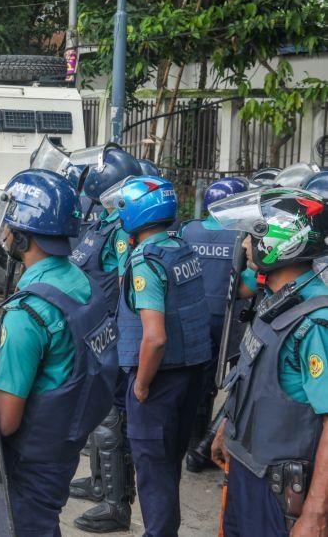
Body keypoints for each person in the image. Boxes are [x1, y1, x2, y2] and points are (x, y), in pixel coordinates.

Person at [0, 169, 119, 537]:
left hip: (31, 455)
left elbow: (7, 420)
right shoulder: (81, 282)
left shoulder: (27, 314)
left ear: (24, 235)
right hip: (65, 440)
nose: (6, 233)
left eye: (10, 224)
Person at [210, 187, 328, 537]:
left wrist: (316, 514)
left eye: (252, 235)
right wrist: (227, 429)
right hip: (249, 468)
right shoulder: (275, 300)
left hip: (281, 491)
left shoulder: (314, 324)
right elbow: (255, 376)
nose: (245, 245)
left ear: (282, 241)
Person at [112, 175, 211, 537]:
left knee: (153, 472)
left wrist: (140, 385)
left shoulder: (147, 262)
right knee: (168, 465)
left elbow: (154, 338)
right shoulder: (180, 248)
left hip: (159, 379)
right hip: (190, 374)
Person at [66, 147, 141, 532]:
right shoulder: (101, 223)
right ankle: (98, 482)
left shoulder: (122, 232)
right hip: (93, 330)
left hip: (111, 334)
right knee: (97, 413)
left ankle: (116, 504)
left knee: (111, 420)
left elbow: (129, 288)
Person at [178, 176, 250, 473]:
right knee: (229, 382)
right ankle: (203, 448)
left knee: (196, 379)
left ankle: (191, 444)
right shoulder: (241, 237)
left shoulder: (188, 230)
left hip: (192, 318)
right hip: (229, 321)